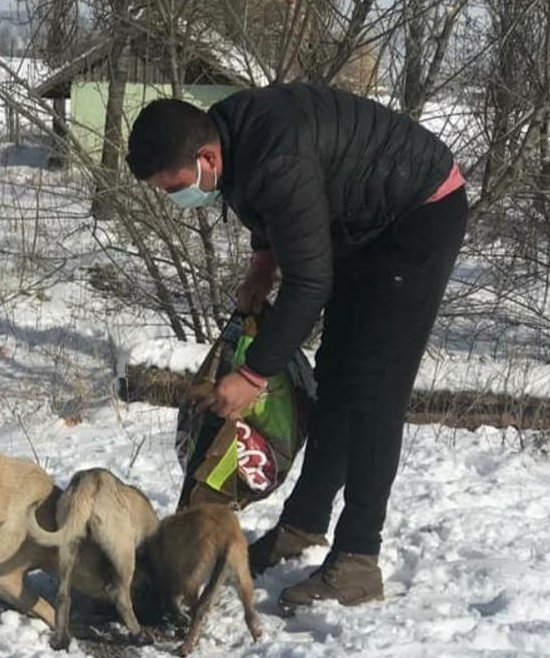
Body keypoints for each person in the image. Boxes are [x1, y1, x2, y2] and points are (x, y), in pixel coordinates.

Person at [124, 83, 467, 612]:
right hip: (361, 221)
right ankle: (304, 524)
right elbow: (275, 213)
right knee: (335, 375)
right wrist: (264, 262)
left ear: (205, 157)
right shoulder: (230, 140)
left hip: (418, 213)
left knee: (375, 388)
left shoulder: (273, 157)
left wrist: (254, 375)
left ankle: (358, 559)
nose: (176, 200)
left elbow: (310, 285)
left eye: (175, 188)